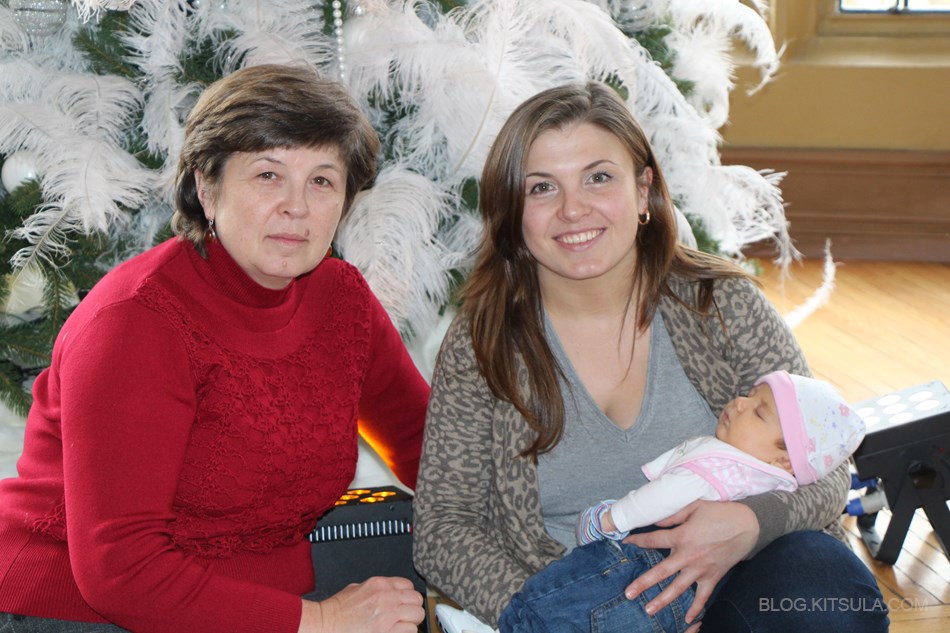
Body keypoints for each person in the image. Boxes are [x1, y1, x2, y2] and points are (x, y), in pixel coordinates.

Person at [412, 81, 888, 632]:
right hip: (573, 605)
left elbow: (825, 464)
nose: (573, 209)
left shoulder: (721, 304)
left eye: (598, 177)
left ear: (644, 191)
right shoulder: (482, 341)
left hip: (740, 578)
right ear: (511, 211)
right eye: (541, 187)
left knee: (832, 604)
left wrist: (752, 522)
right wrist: (560, 617)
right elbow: (443, 527)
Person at [0, 64, 428, 633]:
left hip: (254, 604)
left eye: (322, 181)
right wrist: (324, 621)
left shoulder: (341, 298)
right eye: (268, 175)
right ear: (206, 188)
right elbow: (120, 570)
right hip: (72, 610)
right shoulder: (137, 321)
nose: (296, 207)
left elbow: (427, 447)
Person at [500, 370, 867, 631]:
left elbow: (666, 495)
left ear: (784, 460)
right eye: (749, 395)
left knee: (543, 614)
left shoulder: (722, 463)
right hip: (683, 599)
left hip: (633, 565)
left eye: (758, 412)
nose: (740, 403)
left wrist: (609, 519)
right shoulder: (772, 480)